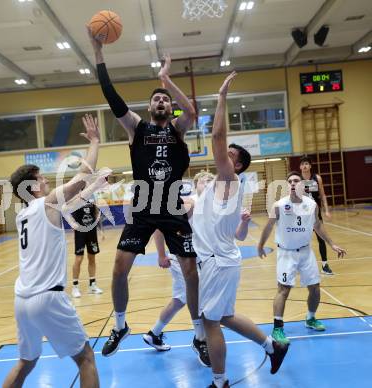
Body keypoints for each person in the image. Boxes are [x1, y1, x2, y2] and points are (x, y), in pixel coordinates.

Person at [87, 27, 208, 362]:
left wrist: (167, 79)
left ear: (170, 107)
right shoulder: (136, 128)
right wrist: (99, 53)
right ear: (149, 106)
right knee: (118, 269)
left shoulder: (178, 129)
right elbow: (112, 96)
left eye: (165, 99)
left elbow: (192, 112)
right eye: (156, 97)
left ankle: (199, 335)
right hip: (142, 208)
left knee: (190, 271)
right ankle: (121, 325)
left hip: (172, 208)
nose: (160, 100)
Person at [192, 71, 289, 388]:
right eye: (227, 152)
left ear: (237, 165)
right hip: (220, 260)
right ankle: (271, 347)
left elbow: (217, 138)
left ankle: (220, 382)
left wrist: (221, 97)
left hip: (218, 262)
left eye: (231, 155)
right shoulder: (216, 185)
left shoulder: (230, 179)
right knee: (224, 317)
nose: (224, 153)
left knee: (210, 324)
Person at [3, 114, 106, 388]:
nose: (47, 181)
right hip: (46, 298)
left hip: (22, 300)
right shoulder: (45, 205)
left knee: (26, 362)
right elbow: (82, 177)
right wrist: (95, 141)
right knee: (85, 358)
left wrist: (96, 187)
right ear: (33, 186)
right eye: (42, 178)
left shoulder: (23, 214)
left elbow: (72, 201)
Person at [258, 171, 346, 346]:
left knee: (315, 288)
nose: (292, 183)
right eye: (289, 181)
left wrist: (331, 244)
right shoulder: (279, 205)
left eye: (296, 181)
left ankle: (310, 318)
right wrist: (260, 245)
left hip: (306, 252)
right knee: (283, 290)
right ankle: (277, 328)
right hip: (286, 253)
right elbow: (268, 226)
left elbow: (318, 225)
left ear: (302, 185)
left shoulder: (311, 205)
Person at [143, 172, 214, 364]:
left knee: (180, 299)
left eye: (211, 181)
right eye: (203, 181)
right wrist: (160, 254)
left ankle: (153, 334)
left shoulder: (212, 205)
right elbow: (159, 226)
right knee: (196, 297)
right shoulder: (190, 202)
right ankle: (200, 339)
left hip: (197, 258)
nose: (207, 184)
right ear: (196, 184)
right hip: (181, 258)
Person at [299, 156, 333, 274]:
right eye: (302, 164)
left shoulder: (317, 178)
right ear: (300, 167)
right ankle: (300, 265)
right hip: (303, 216)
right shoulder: (297, 180)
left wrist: (327, 210)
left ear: (310, 166)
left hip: (315, 215)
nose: (304, 166)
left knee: (321, 239)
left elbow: (322, 195)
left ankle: (324, 265)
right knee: (301, 241)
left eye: (307, 164)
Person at [71, 197, 103, 298]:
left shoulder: (93, 198)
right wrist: (73, 224)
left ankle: (92, 285)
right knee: (79, 258)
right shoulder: (75, 197)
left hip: (92, 232)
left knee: (92, 257)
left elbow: (97, 214)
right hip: (80, 232)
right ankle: (75, 286)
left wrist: (101, 230)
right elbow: (69, 213)